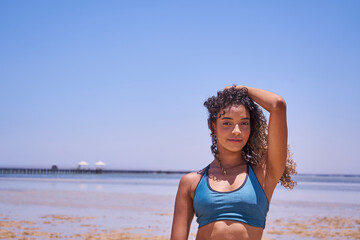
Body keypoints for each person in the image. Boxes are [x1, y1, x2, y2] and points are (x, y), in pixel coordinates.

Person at [170, 85, 296, 240]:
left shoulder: (264, 174)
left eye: (244, 123)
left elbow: (278, 105)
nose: (236, 130)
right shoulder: (191, 182)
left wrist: (240, 89)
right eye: (227, 123)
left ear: (251, 127)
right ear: (213, 126)